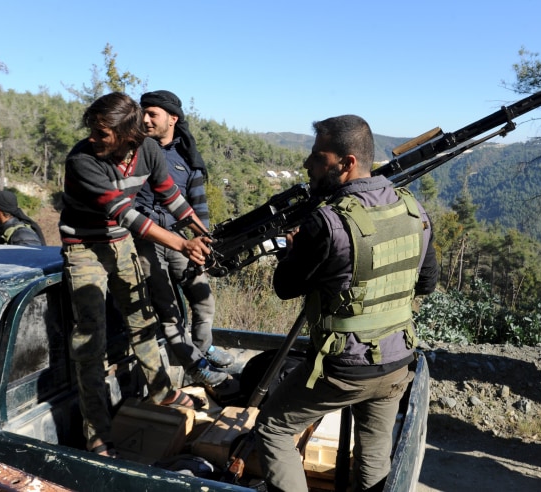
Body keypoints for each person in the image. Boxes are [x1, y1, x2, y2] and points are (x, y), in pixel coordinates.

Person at [254, 115, 440, 491]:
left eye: (317, 156)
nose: (308, 164)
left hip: (344, 369)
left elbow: (285, 287)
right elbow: (428, 282)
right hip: (396, 362)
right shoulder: (412, 209)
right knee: (373, 456)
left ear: (347, 162)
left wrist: (293, 252)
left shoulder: (326, 223)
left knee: (272, 427)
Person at [60, 92, 213, 458]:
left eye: (103, 134)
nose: (94, 139)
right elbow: (127, 214)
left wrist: (199, 230)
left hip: (121, 244)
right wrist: (181, 244)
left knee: (142, 319)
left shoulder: (148, 151)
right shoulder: (82, 160)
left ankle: (161, 392)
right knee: (89, 340)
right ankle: (97, 432)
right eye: (93, 132)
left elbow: (170, 196)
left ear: (128, 133)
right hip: (84, 248)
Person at [135, 90, 232, 388]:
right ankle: (194, 365)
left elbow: (197, 206)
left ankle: (204, 348)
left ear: (172, 118)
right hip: (144, 240)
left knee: (203, 300)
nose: (145, 119)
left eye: (153, 114)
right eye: (144, 113)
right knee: (168, 309)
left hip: (180, 239)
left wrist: (202, 243)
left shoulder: (187, 157)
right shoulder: (134, 151)